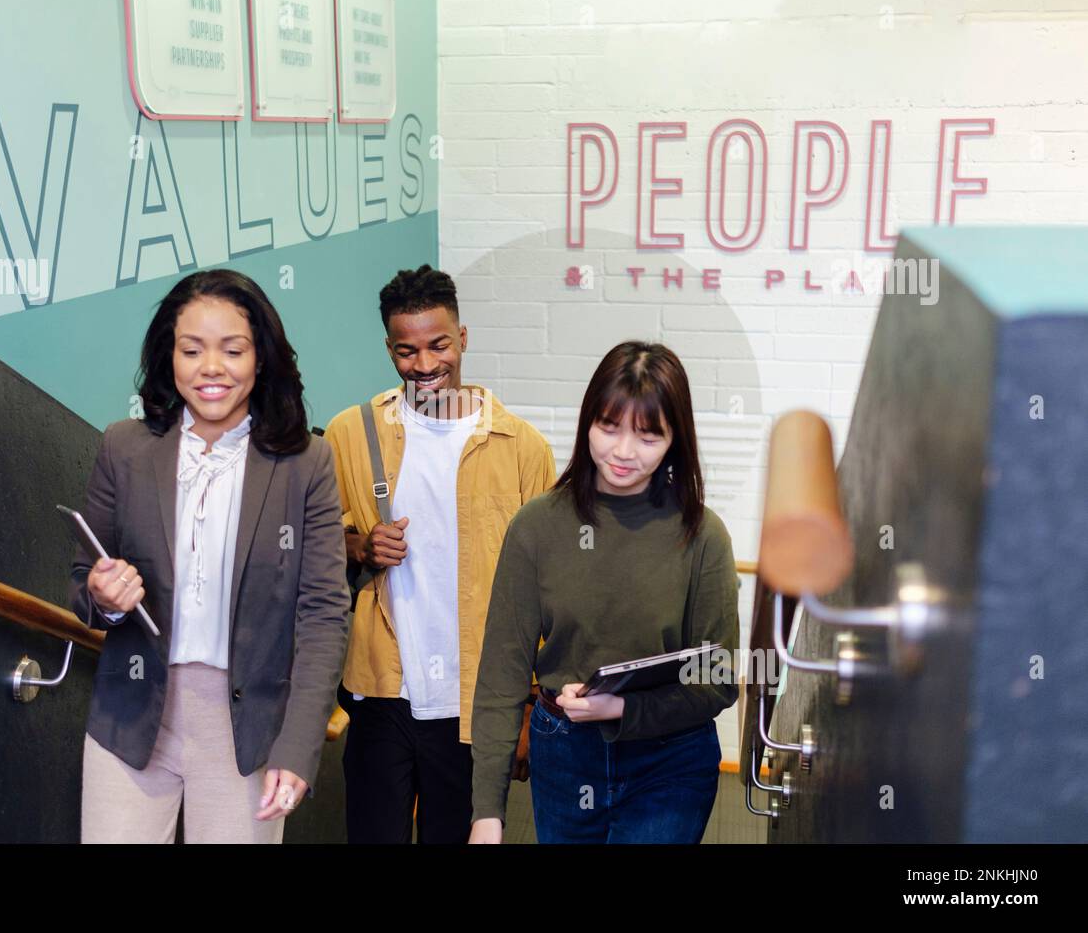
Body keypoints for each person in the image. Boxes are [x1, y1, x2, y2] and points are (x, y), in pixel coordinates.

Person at [68, 269, 350, 843]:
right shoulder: (124, 447)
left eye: (233, 350)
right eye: (191, 350)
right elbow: (82, 582)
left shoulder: (306, 464)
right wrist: (105, 598)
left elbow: (323, 614)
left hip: (245, 733)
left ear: (261, 357)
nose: (211, 368)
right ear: (168, 355)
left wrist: (298, 747)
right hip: (131, 720)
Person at [469, 341, 739, 844]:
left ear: (675, 439)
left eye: (647, 436)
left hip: (671, 760)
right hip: (565, 753)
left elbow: (718, 681)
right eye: (608, 427)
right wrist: (487, 810)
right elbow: (501, 675)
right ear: (586, 421)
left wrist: (622, 710)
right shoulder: (537, 527)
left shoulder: (703, 536)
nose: (622, 451)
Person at [323, 264, 556, 843]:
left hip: (476, 696)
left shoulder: (522, 448)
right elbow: (316, 547)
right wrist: (360, 546)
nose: (425, 366)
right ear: (388, 348)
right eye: (407, 351)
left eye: (439, 345)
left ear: (463, 337)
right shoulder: (350, 433)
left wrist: (529, 706)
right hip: (381, 689)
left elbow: (548, 591)